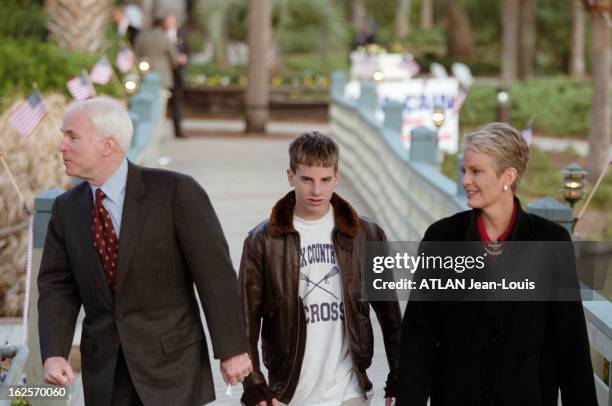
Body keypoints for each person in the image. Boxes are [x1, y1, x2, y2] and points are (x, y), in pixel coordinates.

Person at [38, 97, 252, 406]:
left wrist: (232, 348)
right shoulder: (65, 209)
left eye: (72, 136)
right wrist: (55, 353)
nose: (61, 145)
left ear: (107, 145)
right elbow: (57, 286)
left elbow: (215, 275)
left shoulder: (176, 192)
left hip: (172, 367)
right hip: (105, 372)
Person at [398, 122, 598, 406]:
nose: (465, 180)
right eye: (464, 171)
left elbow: (570, 343)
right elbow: (419, 335)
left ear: (508, 176)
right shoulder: (441, 237)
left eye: (476, 171)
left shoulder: (551, 241)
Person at [239, 131, 401, 406]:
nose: (317, 190)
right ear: (291, 177)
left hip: (349, 391)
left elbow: (390, 317)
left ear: (337, 177)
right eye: (306, 180)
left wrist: (399, 378)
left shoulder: (366, 235)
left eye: (325, 180)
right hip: (288, 393)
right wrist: (255, 387)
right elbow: (245, 322)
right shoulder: (263, 241)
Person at [134, 15, 188, 137]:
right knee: (159, 109)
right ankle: (157, 135)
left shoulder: (141, 37)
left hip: (145, 76)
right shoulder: (164, 38)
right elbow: (174, 58)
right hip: (162, 78)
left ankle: (144, 134)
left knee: (145, 107)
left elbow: (136, 55)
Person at [162, 14, 189, 139]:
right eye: (167, 22)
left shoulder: (182, 34)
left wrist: (184, 58)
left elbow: (187, 51)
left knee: (177, 103)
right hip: (164, 73)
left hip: (177, 74)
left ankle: (178, 130)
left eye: (171, 22)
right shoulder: (161, 35)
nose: (169, 24)